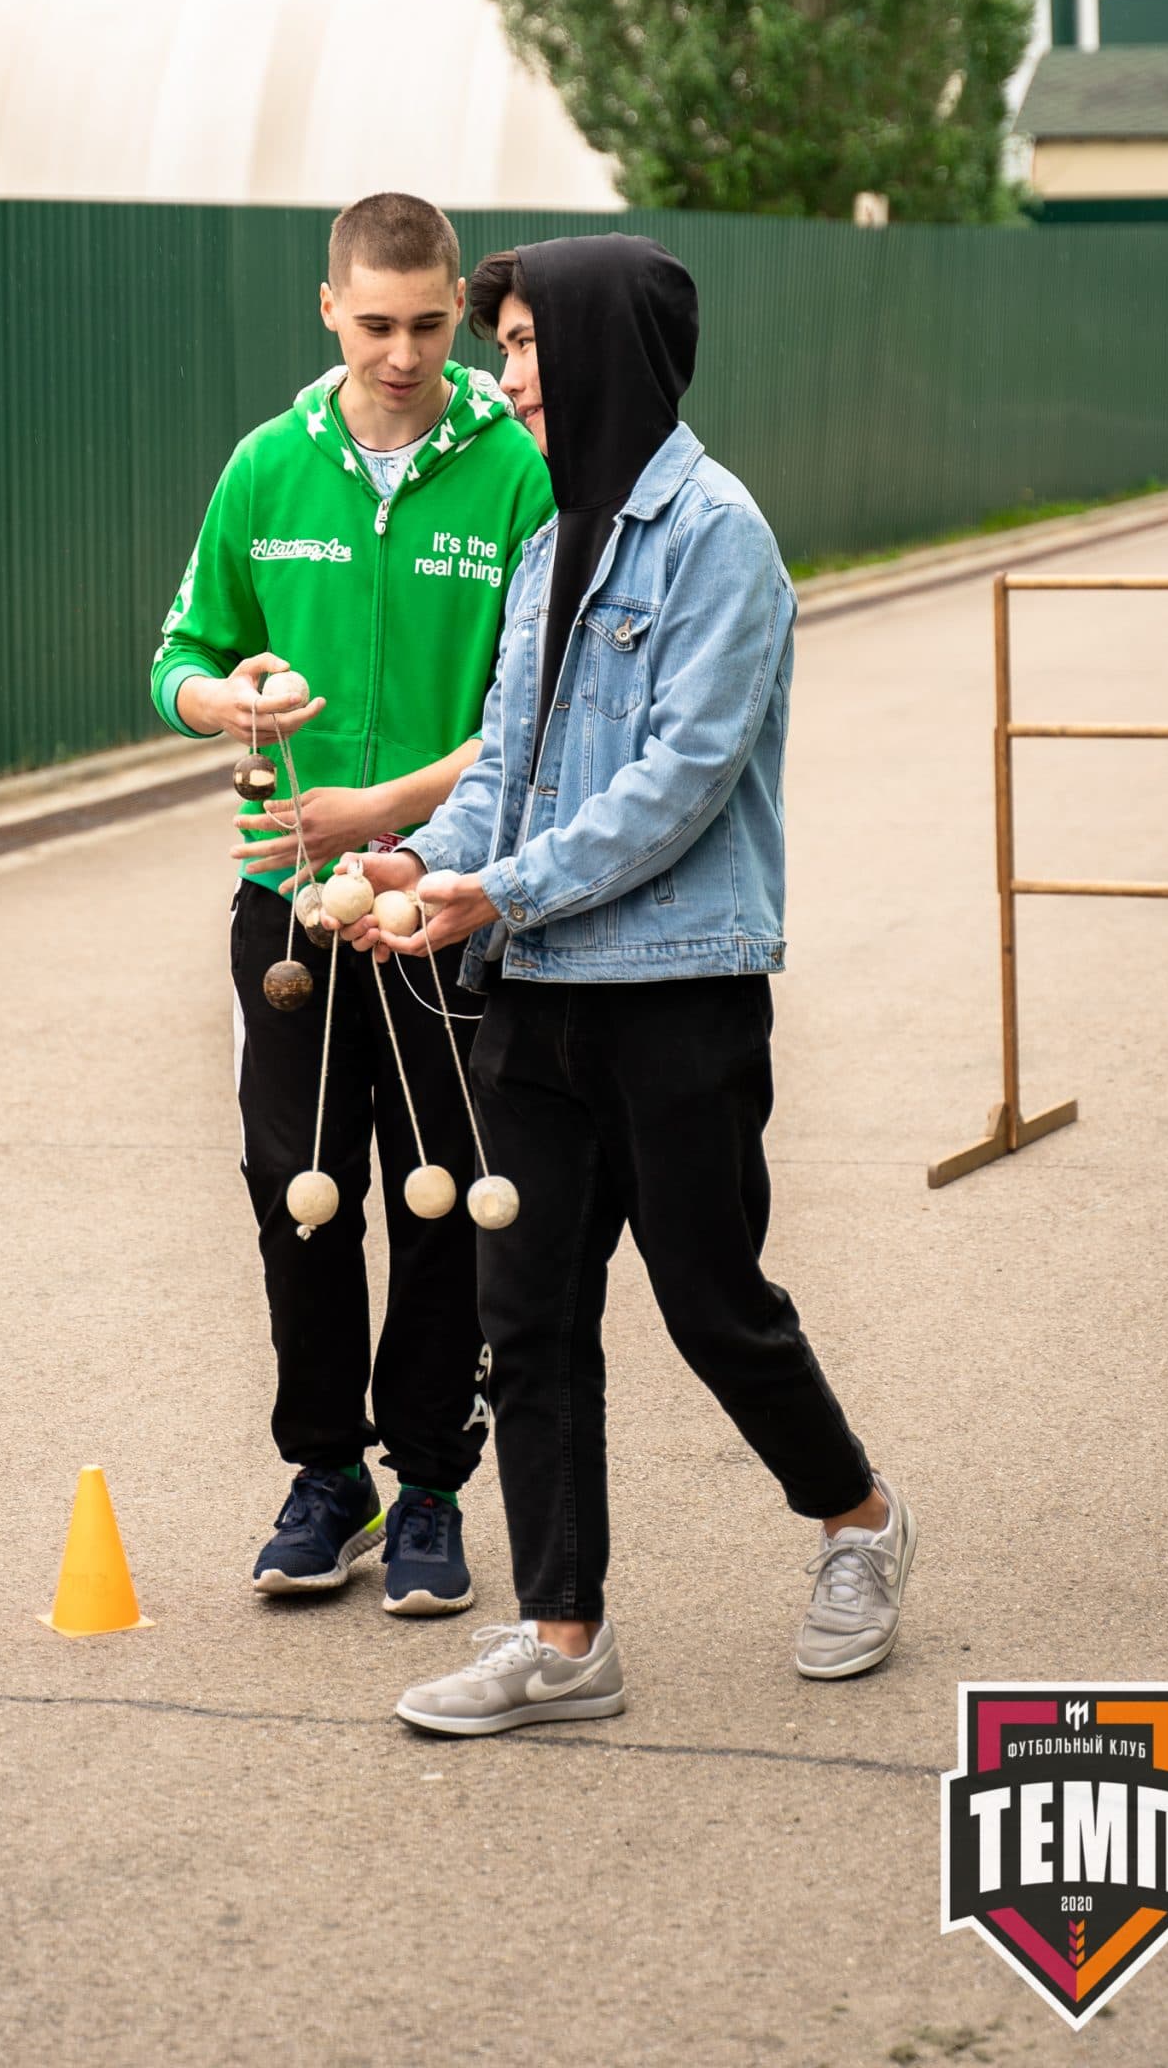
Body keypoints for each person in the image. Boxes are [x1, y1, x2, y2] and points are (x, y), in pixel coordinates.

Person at [338, 233, 916, 1733]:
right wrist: (420, 864)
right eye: (504, 347)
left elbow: (681, 780)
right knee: (525, 1312)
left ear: (605, 348)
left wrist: (498, 887)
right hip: (536, 989)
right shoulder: (551, 544)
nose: (506, 375)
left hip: (675, 990)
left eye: (527, 344)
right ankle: (564, 1636)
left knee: (714, 1304)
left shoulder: (720, 536)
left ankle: (859, 1522)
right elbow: (507, 764)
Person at [150, 192, 555, 1616]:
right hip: (292, 906)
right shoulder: (267, 466)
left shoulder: (517, 475)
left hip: (441, 898)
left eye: (431, 326)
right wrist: (224, 700)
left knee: (445, 1198)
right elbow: (183, 654)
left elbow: (527, 715)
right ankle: (330, 1477)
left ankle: (432, 1481)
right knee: (299, 1197)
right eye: (375, 324)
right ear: (328, 308)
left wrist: (384, 811)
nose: (403, 355)